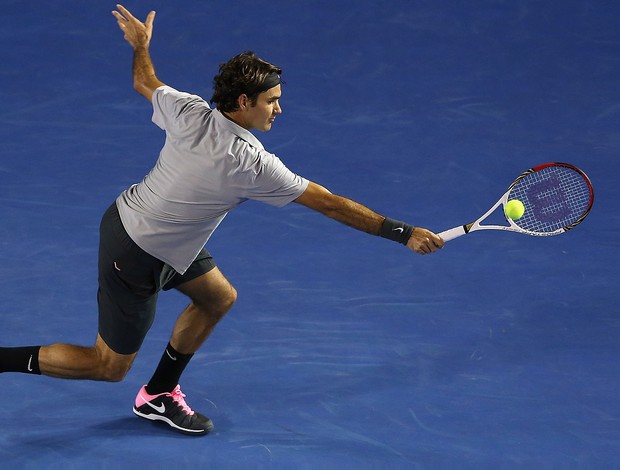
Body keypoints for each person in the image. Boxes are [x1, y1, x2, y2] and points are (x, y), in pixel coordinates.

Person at [0, 5, 443, 436]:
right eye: (272, 101)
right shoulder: (250, 163)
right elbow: (329, 204)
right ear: (245, 101)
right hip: (138, 250)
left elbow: (144, 80)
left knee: (218, 297)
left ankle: (158, 394)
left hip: (137, 220)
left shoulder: (189, 110)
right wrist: (403, 233)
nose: (279, 110)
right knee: (107, 366)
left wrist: (140, 45)